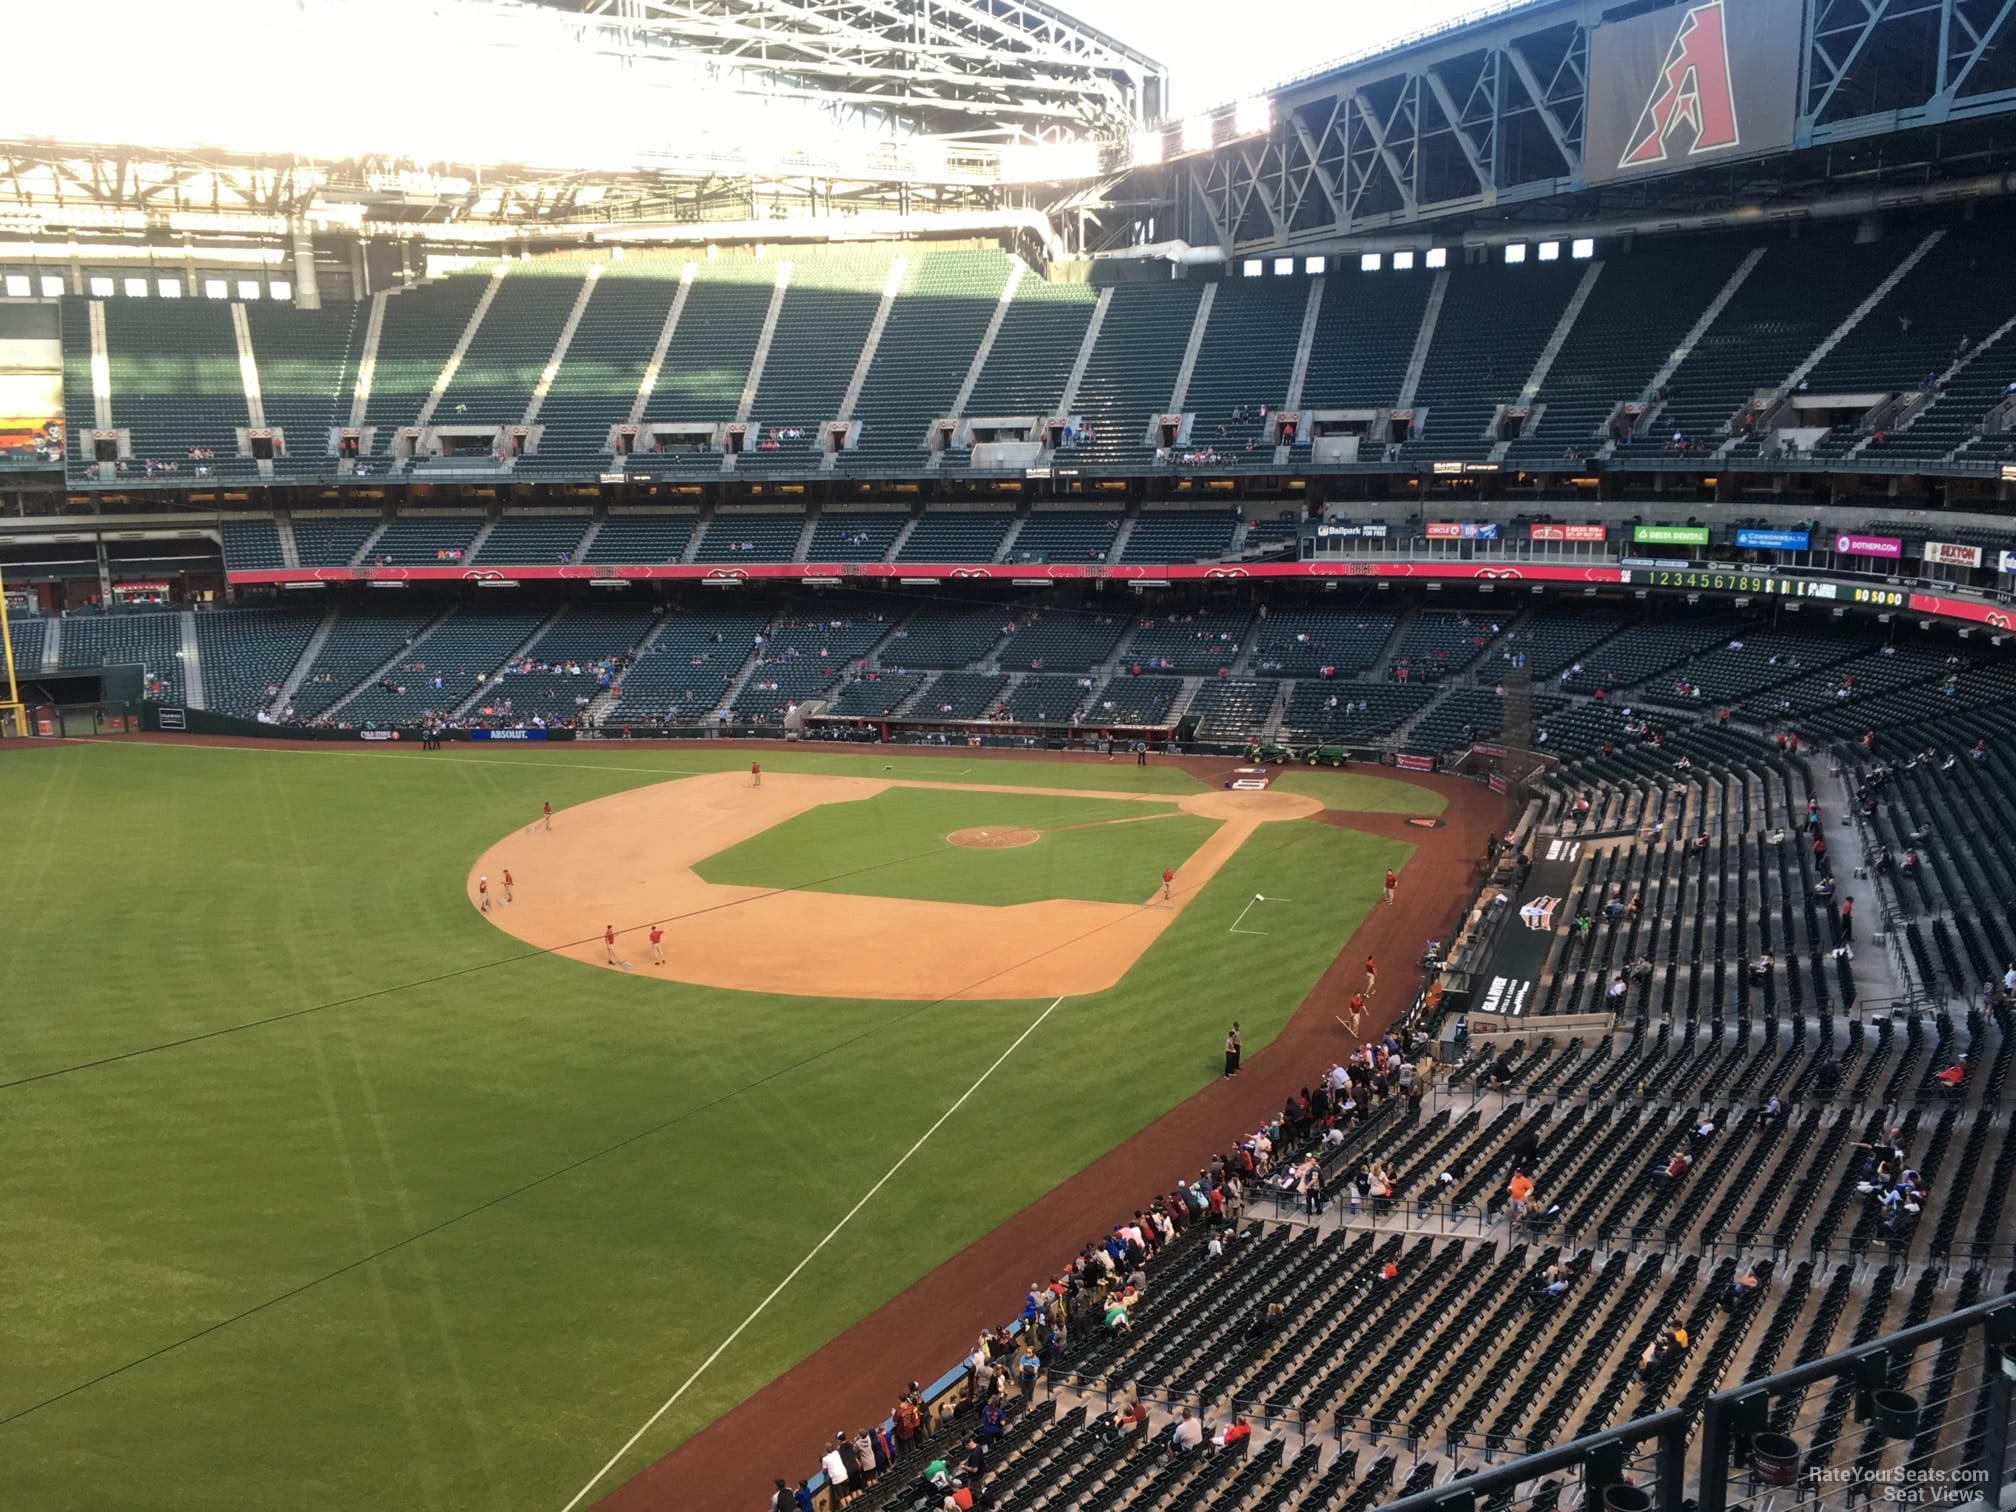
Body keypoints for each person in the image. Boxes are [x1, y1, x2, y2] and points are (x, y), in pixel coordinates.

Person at [821, 1434, 852, 1506]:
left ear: (826, 1450)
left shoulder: (825, 1459)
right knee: (847, 1494)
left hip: (836, 1480)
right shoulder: (836, 1453)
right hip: (844, 1476)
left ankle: (847, 1509)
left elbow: (824, 1470)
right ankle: (853, 1507)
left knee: (841, 1497)